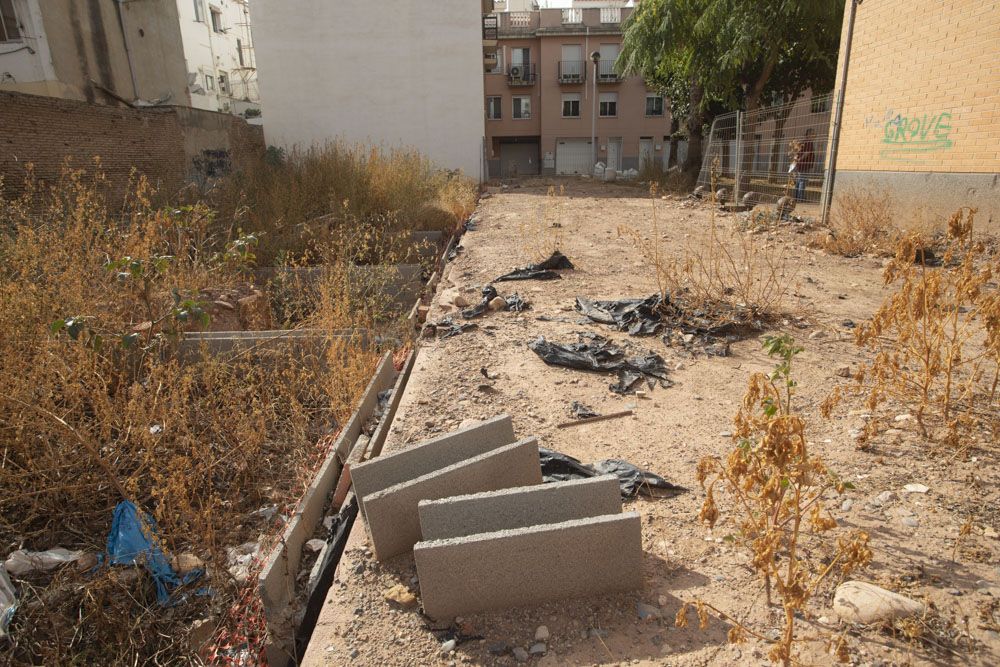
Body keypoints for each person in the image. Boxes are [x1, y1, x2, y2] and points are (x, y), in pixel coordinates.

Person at [791, 129, 816, 201]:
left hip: (800, 165)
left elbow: (797, 153)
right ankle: (800, 197)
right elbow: (807, 153)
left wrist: (796, 160)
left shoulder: (802, 142)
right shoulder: (809, 142)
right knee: (803, 181)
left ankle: (796, 196)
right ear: (808, 134)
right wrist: (800, 159)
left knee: (799, 180)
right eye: (813, 133)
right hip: (805, 165)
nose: (814, 135)